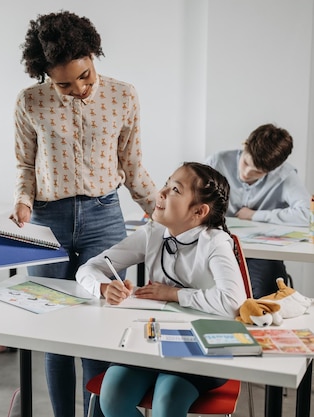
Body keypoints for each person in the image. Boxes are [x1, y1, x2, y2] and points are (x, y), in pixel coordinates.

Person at [10, 10, 158, 417]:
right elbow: (25, 165)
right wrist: (23, 200)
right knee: (55, 332)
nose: (78, 88)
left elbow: (132, 166)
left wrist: (162, 213)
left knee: (99, 326)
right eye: (64, 83)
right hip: (46, 222)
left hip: (104, 217)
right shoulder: (30, 102)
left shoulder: (124, 96)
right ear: (45, 75)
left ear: (94, 56)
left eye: (85, 76)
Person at [76, 162, 247, 417]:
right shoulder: (153, 233)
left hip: (201, 348)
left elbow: (233, 302)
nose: (162, 192)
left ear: (199, 211)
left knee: (167, 403)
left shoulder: (215, 243)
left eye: (175, 190)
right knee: (112, 398)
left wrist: (173, 294)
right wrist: (102, 287)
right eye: (166, 184)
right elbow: (88, 268)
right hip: (151, 342)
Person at [205, 123, 310, 298]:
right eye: (245, 163)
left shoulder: (285, 175)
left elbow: (308, 214)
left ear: (272, 170)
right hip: (216, 246)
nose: (246, 173)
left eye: (257, 172)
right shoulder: (217, 161)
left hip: (261, 255)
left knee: (265, 293)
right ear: (244, 145)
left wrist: (254, 215)